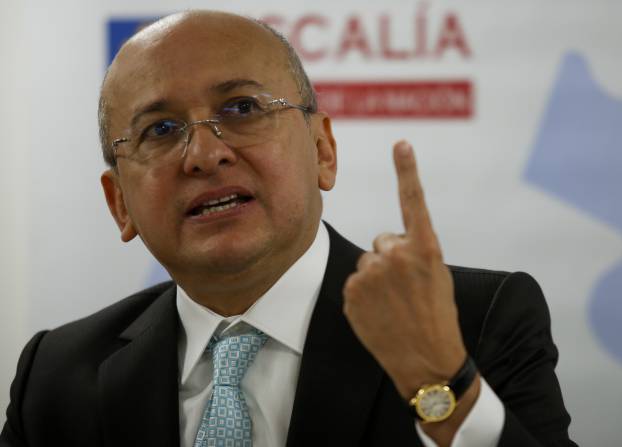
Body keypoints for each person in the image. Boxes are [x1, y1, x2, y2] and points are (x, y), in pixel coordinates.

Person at [0, 10, 576, 447]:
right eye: (161, 130)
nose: (204, 154)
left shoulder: (474, 321)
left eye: (241, 109)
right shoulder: (56, 375)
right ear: (119, 202)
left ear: (322, 150)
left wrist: (444, 390)